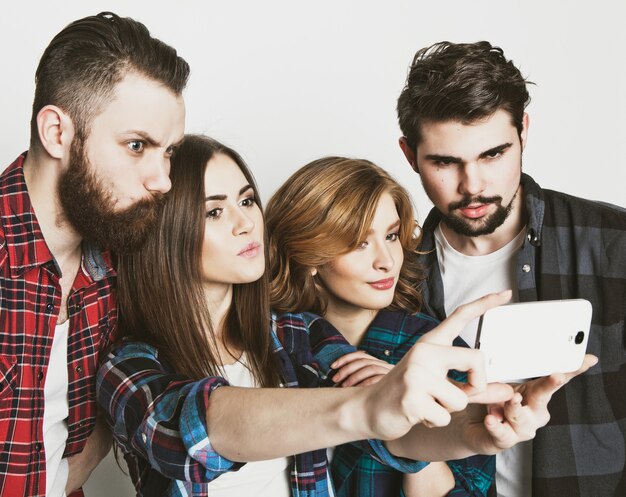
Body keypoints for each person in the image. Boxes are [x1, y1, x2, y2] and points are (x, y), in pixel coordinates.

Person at [97, 134, 590, 497]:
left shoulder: (297, 334)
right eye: (214, 211)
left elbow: (391, 430)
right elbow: (182, 433)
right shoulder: (127, 362)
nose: (247, 221)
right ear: (167, 233)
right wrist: (370, 408)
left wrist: (473, 428)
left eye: (247, 200)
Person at [396, 40, 626, 496]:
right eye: (445, 162)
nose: (473, 184)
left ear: (523, 130)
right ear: (409, 155)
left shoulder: (614, 242)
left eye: (493, 154)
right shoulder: (395, 275)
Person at [0, 12, 188, 497]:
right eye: (136, 145)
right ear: (57, 133)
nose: (162, 179)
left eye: (168, 151)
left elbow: (108, 406)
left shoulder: (120, 260)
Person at [266, 156, 496, 496]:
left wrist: (408, 411)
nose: (386, 261)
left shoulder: (438, 352)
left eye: (391, 236)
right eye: (359, 243)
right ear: (310, 255)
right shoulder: (269, 345)